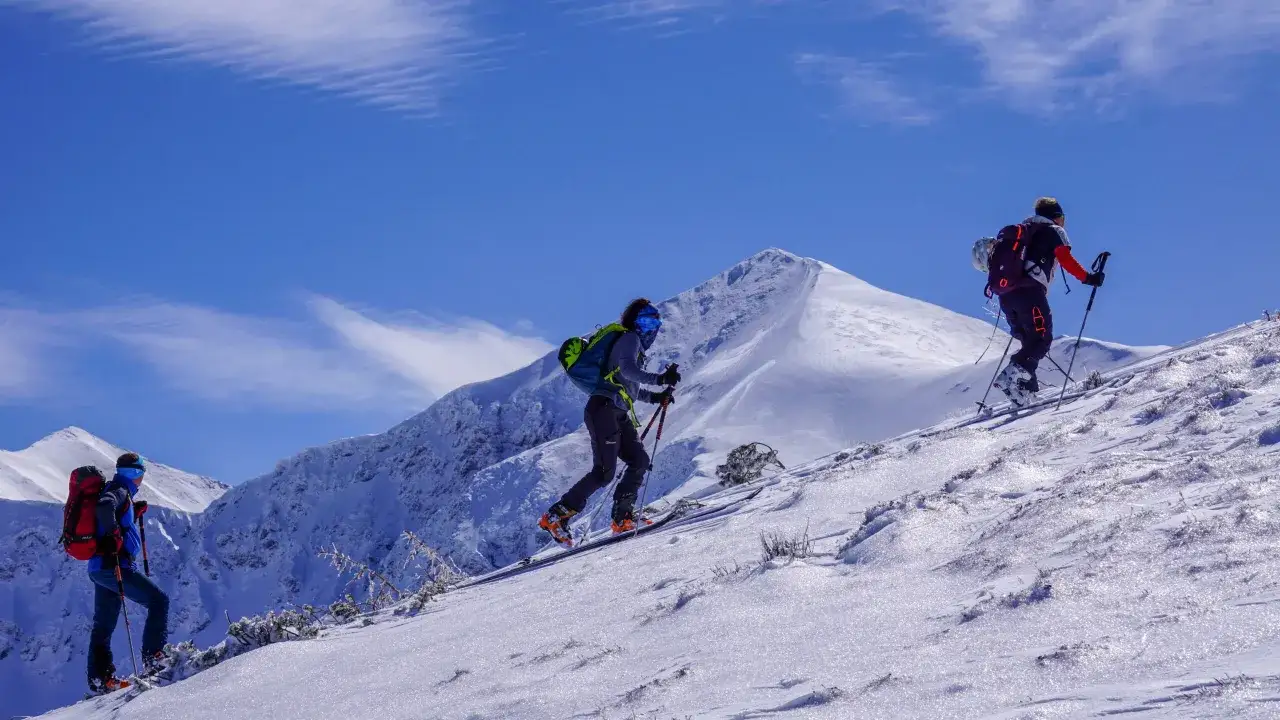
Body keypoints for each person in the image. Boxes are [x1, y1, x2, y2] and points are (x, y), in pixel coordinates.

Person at [539, 299, 680, 544]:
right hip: (603, 409)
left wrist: (657, 397)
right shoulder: (629, 338)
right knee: (604, 472)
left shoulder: (632, 345)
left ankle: (623, 518)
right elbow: (628, 371)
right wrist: (660, 379)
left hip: (614, 410)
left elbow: (629, 388)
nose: (650, 327)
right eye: (646, 321)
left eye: (654, 322)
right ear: (634, 322)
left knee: (639, 460)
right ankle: (556, 516)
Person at [990, 197, 1105, 406]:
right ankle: (1012, 374)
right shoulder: (1054, 231)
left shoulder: (1025, 231)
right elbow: (1066, 260)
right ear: (1056, 216)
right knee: (1042, 339)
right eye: (1062, 217)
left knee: (1030, 341)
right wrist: (1089, 278)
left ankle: (1026, 392)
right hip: (1030, 293)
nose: (1064, 222)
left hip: (1006, 297)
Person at [87, 453, 170, 694]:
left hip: (99, 569)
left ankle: (101, 679)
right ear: (136, 473)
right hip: (114, 566)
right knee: (158, 601)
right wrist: (115, 533)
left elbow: (108, 508)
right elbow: (105, 506)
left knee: (103, 625)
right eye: (142, 473)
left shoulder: (120, 492)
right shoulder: (120, 489)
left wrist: (132, 511)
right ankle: (154, 660)